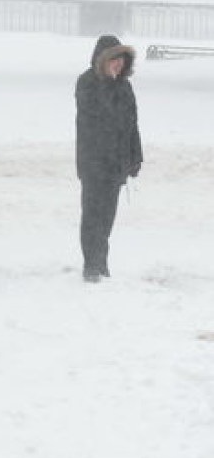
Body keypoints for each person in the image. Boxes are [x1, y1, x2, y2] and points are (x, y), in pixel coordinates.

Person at [75, 34, 142, 283]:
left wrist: (135, 157)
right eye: (114, 60)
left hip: (116, 164)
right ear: (102, 60)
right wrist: (108, 85)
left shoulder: (125, 87)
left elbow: (131, 124)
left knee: (107, 216)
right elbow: (99, 116)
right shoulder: (87, 83)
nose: (118, 65)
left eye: (122, 61)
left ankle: (101, 263)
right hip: (93, 162)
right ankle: (91, 265)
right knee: (92, 214)